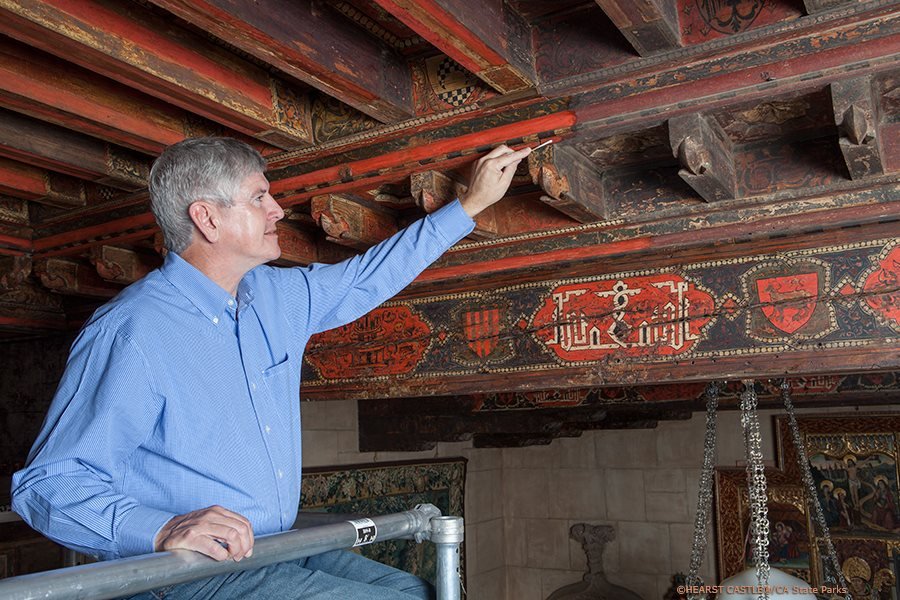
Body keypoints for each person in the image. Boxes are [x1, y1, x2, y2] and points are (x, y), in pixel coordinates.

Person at [11, 137, 530, 599]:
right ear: (207, 218)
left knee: (417, 589)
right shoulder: (131, 330)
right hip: (183, 573)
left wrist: (470, 205)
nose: (278, 210)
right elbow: (47, 486)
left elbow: (367, 278)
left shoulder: (276, 295)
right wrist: (162, 528)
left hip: (271, 547)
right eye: (260, 197)